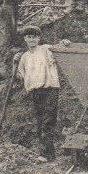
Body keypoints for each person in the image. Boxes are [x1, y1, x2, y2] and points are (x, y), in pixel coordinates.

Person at [13, 26, 61, 161]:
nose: (32, 40)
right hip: (35, 92)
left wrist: (65, 43)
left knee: (48, 120)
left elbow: (60, 50)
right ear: (25, 39)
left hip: (50, 89)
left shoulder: (46, 49)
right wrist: (14, 63)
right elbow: (18, 77)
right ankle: (48, 153)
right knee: (40, 122)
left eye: (34, 37)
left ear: (39, 38)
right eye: (29, 37)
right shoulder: (24, 57)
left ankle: (47, 153)